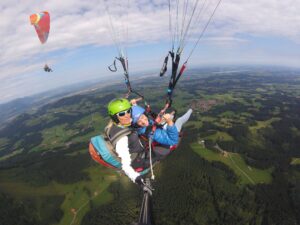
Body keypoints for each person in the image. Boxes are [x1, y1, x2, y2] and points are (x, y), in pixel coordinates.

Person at [107, 98, 146, 184]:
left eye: (128, 111)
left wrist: (133, 105)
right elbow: (126, 166)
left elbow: (131, 119)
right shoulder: (122, 139)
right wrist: (138, 180)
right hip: (138, 158)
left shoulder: (115, 125)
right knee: (163, 150)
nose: (127, 115)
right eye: (122, 114)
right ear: (115, 117)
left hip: (136, 146)